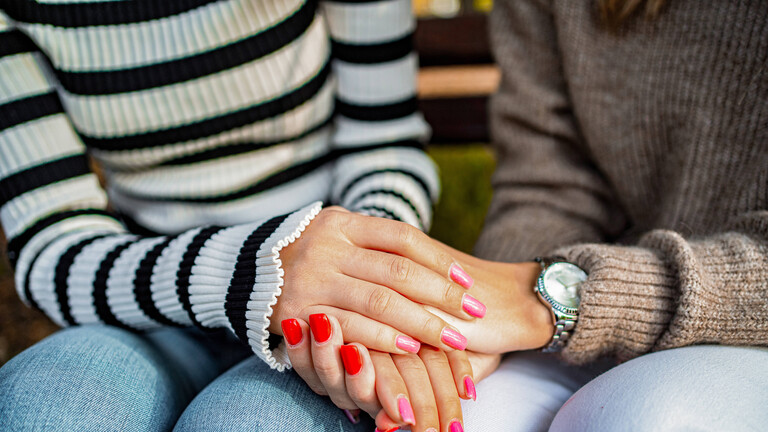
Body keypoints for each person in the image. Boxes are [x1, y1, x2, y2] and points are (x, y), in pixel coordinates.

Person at [282, 0, 768, 431]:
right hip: (598, 324)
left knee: (642, 417)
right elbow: (549, 185)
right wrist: (474, 323)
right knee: (449, 419)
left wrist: (543, 297)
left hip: (741, 326)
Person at [0, 1, 482, 430]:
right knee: (44, 411)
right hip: (149, 309)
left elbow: (383, 148)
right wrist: (257, 273)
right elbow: (55, 241)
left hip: (318, 326)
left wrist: (360, 283)